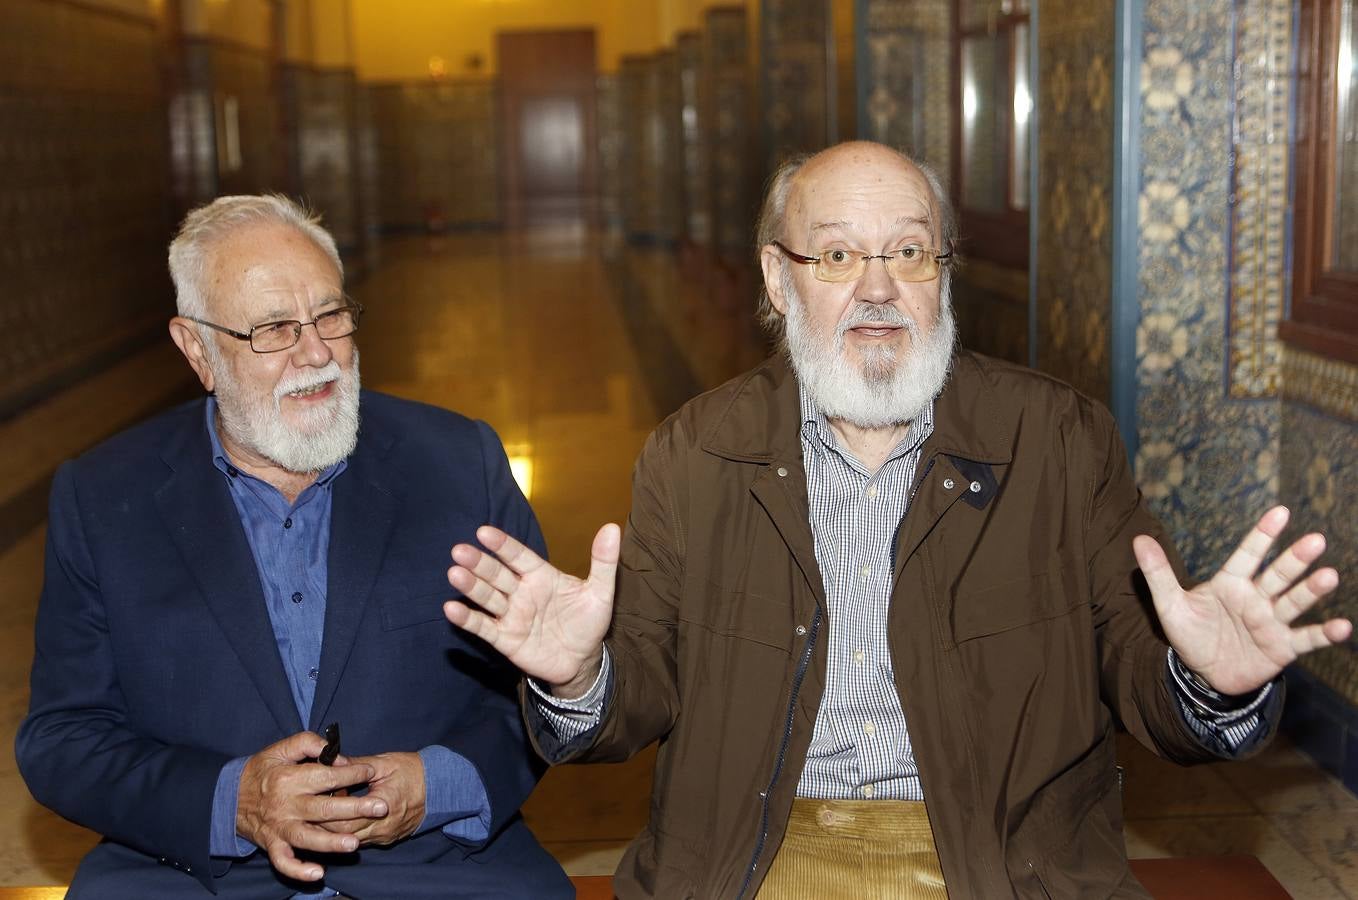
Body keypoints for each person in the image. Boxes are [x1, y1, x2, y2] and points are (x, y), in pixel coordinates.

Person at [442, 142, 1351, 899]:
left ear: (942, 273)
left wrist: (1211, 685)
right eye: (836, 256)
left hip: (1002, 864)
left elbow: (1142, 675)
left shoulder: (1056, 438)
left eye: (909, 252)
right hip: (757, 852)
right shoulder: (697, 452)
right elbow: (635, 698)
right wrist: (580, 678)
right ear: (778, 276)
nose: (877, 289)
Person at [16, 195, 572, 899]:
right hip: (193, 878)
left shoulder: (461, 464)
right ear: (198, 350)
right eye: (274, 329)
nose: (317, 355)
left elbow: (534, 694)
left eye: (331, 316)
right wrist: (232, 802)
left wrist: (440, 783)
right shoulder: (102, 500)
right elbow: (63, 739)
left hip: (439, 868)